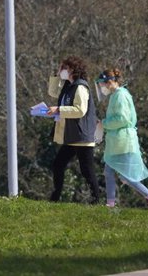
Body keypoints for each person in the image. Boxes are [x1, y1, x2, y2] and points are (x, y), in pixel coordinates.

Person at [96, 68, 148, 210]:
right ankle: (110, 204)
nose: (101, 88)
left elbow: (122, 119)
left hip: (123, 142)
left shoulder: (120, 95)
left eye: (102, 84)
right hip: (117, 142)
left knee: (126, 177)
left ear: (109, 82)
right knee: (109, 171)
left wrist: (104, 123)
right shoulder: (115, 95)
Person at [46, 56, 100, 203]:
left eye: (64, 68)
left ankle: (97, 200)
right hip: (72, 135)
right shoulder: (68, 87)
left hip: (81, 136)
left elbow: (80, 110)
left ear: (72, 70)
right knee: (58, 164)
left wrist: (58, 109)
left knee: (87, 170)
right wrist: (56, 75)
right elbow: (52, 92)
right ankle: (55, 197)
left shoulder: (80, 87)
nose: (62, 70)